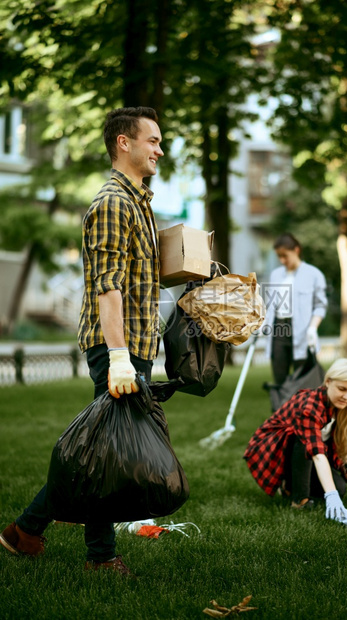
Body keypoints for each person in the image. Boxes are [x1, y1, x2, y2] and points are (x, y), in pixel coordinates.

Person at [0, 107, 164, 575]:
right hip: (119, 346)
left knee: (100, 450)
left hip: (133, 344)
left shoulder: (138, 202)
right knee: (103, 454)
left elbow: (136, 277)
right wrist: (118, 358)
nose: (159, 149)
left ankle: (26, 530)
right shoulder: (113, 202)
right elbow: (108, 286)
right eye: (152, 140)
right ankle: (99, 557)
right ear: (123, 144)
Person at [244, 358, 347, 524]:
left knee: (340, 488)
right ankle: (299, 500)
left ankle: (290, 487)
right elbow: (316, 453)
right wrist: (331, 494)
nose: (346, 397)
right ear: (328, 382)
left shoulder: (341, 409)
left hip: (308, 454)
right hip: (274, 452)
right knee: (303, 441)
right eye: (342, 389)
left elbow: (340, 446)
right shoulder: (309, 406)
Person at [263, 233, 328, 386]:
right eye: (279, 256)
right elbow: (270, 305)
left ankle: (301, 410)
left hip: (302, 331)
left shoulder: (314, 274)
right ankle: (280, 409)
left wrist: (313, 328)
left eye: (285, 255)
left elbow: (320, 305)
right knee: (280, 379)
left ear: (296, 250)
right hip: (278, 330)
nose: (282, 260)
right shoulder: (275, 275)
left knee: (303, 383)